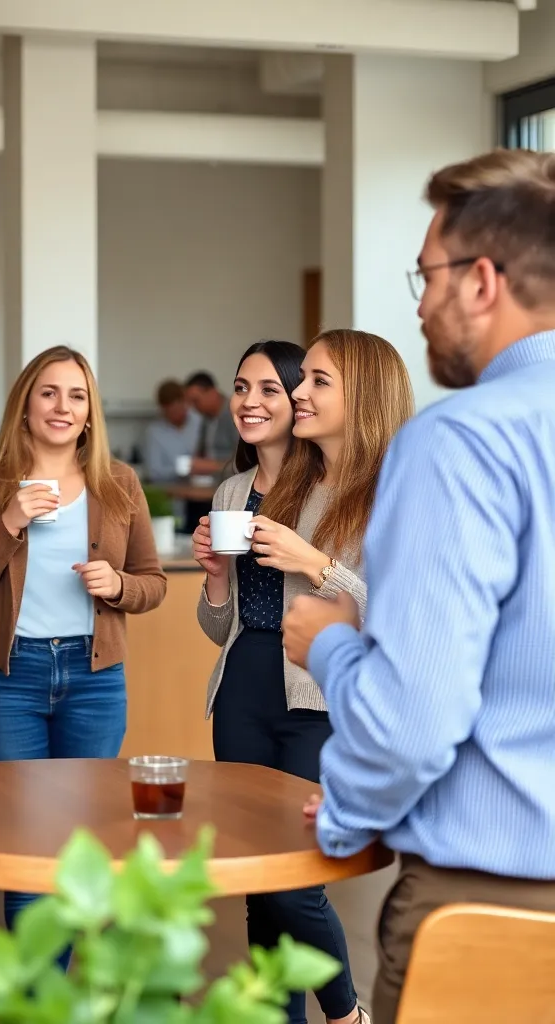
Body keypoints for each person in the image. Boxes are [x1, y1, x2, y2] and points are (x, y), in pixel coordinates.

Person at [282, 149, 555, 1024]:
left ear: (482, 281)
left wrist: (326, 640)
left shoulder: (460, 442)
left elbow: (413, 721)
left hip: (499, 910)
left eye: (428, 274)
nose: (420, 302)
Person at [194, 331, 414, 1024]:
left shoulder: (370, 491)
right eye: (302, 380)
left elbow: (393, 612)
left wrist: (311, 561)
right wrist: (215, 579)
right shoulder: (258, 485)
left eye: (310, 382)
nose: (290, 396)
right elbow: (219, 624)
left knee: (297, 879)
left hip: (318, 695)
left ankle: (346, 1013)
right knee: (262, 881)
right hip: (243, 690)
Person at [0, 344, 167, 942]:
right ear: (25, 405)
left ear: (91, 413)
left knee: (87, 837)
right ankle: (41, 998)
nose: (62, 406)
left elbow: (153, 584)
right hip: (7, 679)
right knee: (29, 841)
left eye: (77, 396)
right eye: (48, 392)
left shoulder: (119, 484)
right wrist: (10, 522)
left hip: (94, 679)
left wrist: (119, 585)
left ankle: (82, 992)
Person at [142, 378, 201, 482]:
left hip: (205, 489)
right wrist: (185, 469)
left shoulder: (199, 422)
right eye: (172, 411)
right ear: (163, 409)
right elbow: (153, 472)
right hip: (172, 494)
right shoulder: (154, 433)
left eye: (180, 407)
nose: (178, 413)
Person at [185, 369, 239, 473]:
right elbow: (201, 452)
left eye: (196, 400)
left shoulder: (234, 414)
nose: (193, 407)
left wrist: (213, 466)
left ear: (212, 393)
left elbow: (246, 463)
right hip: (208, 482)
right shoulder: (206, 418)